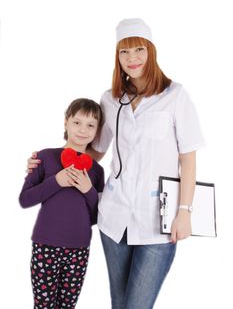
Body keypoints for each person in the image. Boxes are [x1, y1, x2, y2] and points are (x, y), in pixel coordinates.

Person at [26, 18, 205, 309]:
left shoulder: (175, 96)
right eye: (124, 52)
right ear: (117, 57)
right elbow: (93, 150)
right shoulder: (110, 99)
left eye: (138, 50)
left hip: (157, 222)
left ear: (150, 51)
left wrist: (184, 211)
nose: (132, 59)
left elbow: (189, 158)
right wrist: (48, 162)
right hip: (114, 217)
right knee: (119, 303)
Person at [19, 98, 104, 309]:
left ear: (97, 131)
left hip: (79, 249)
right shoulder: (44, 157)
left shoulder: (96, 171)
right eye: (77, 122)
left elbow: (97, 217)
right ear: (66, 122)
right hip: (45, 246)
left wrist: (88, 191)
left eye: (90, 125)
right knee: (43, 305)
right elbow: (25, 199)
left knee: (67, 306)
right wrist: (57, 181)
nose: (83, 130)